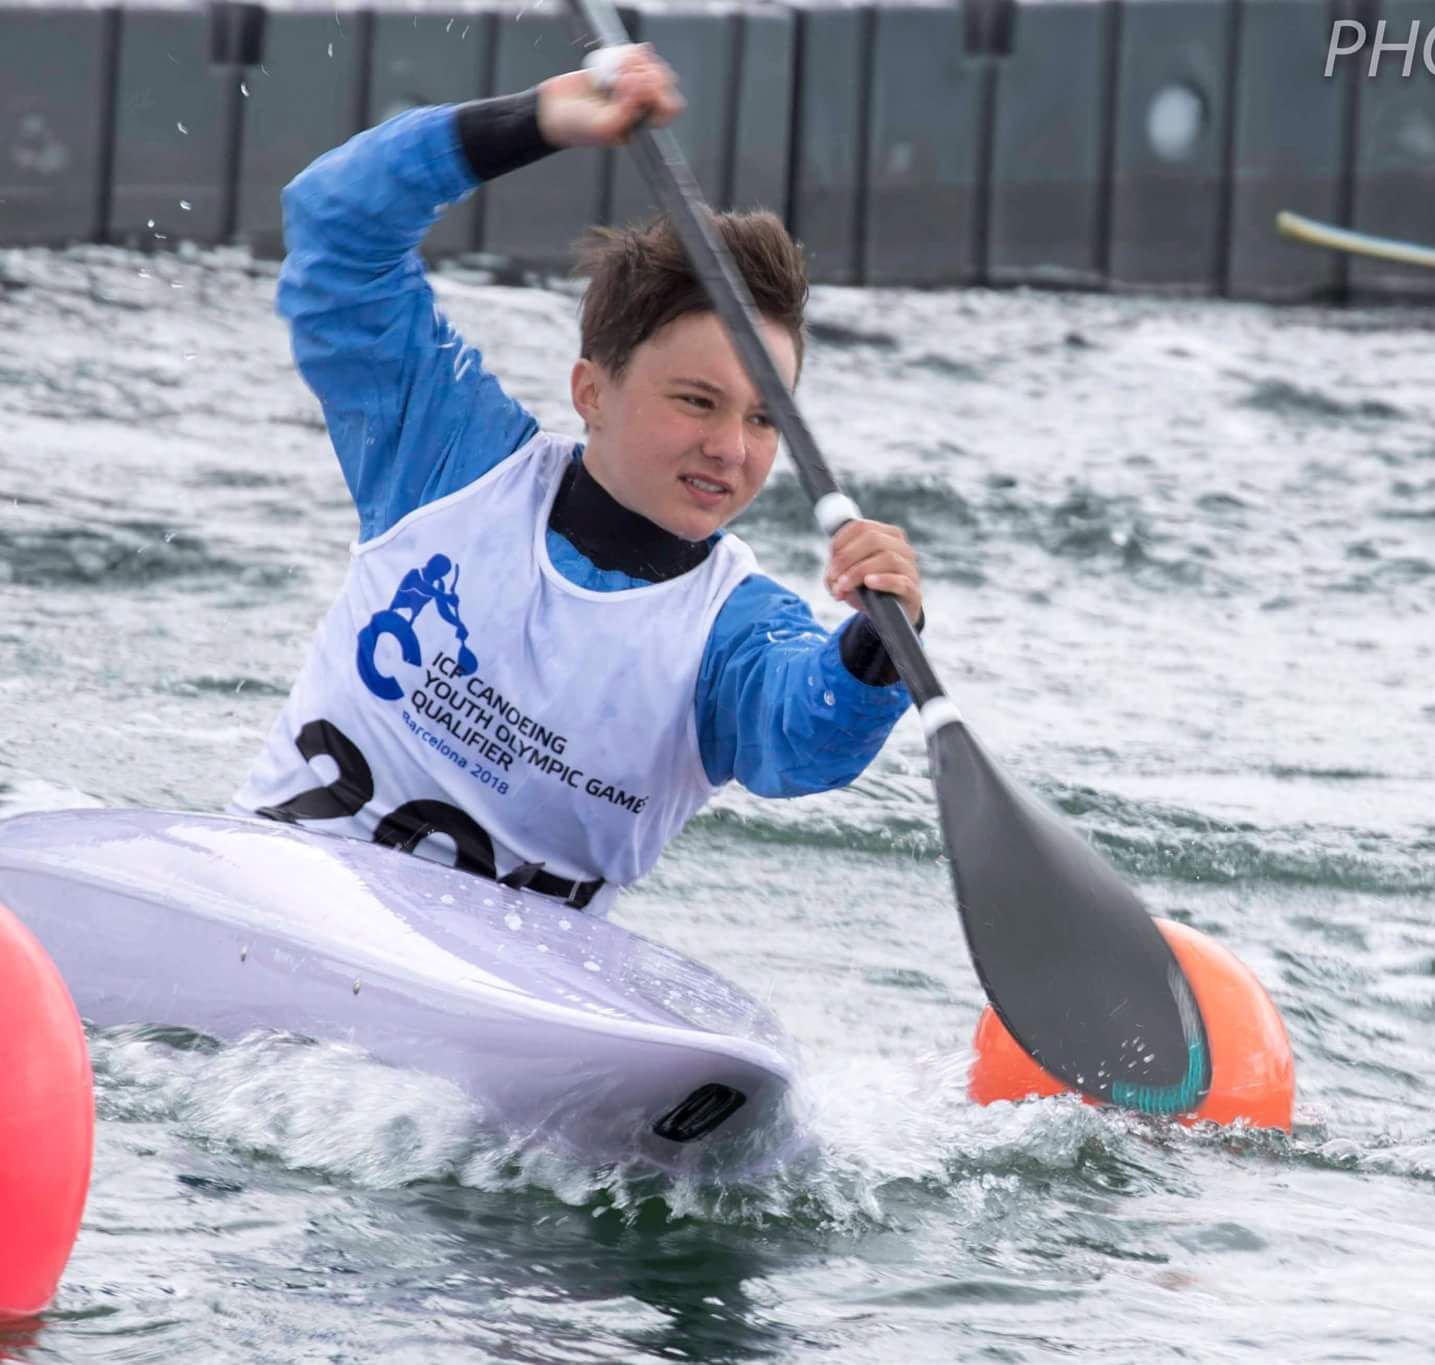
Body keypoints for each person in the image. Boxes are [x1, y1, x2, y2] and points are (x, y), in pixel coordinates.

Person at [231, 47, 924, 915]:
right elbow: (335, 226)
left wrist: (874, 647)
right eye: (697, 401)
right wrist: (536, 121)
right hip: (275, 908)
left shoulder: (734, 635)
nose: (729, 448)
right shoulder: (447, 458)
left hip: (492, 991)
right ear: (591, 391)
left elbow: (805, 736)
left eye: (761, 418)